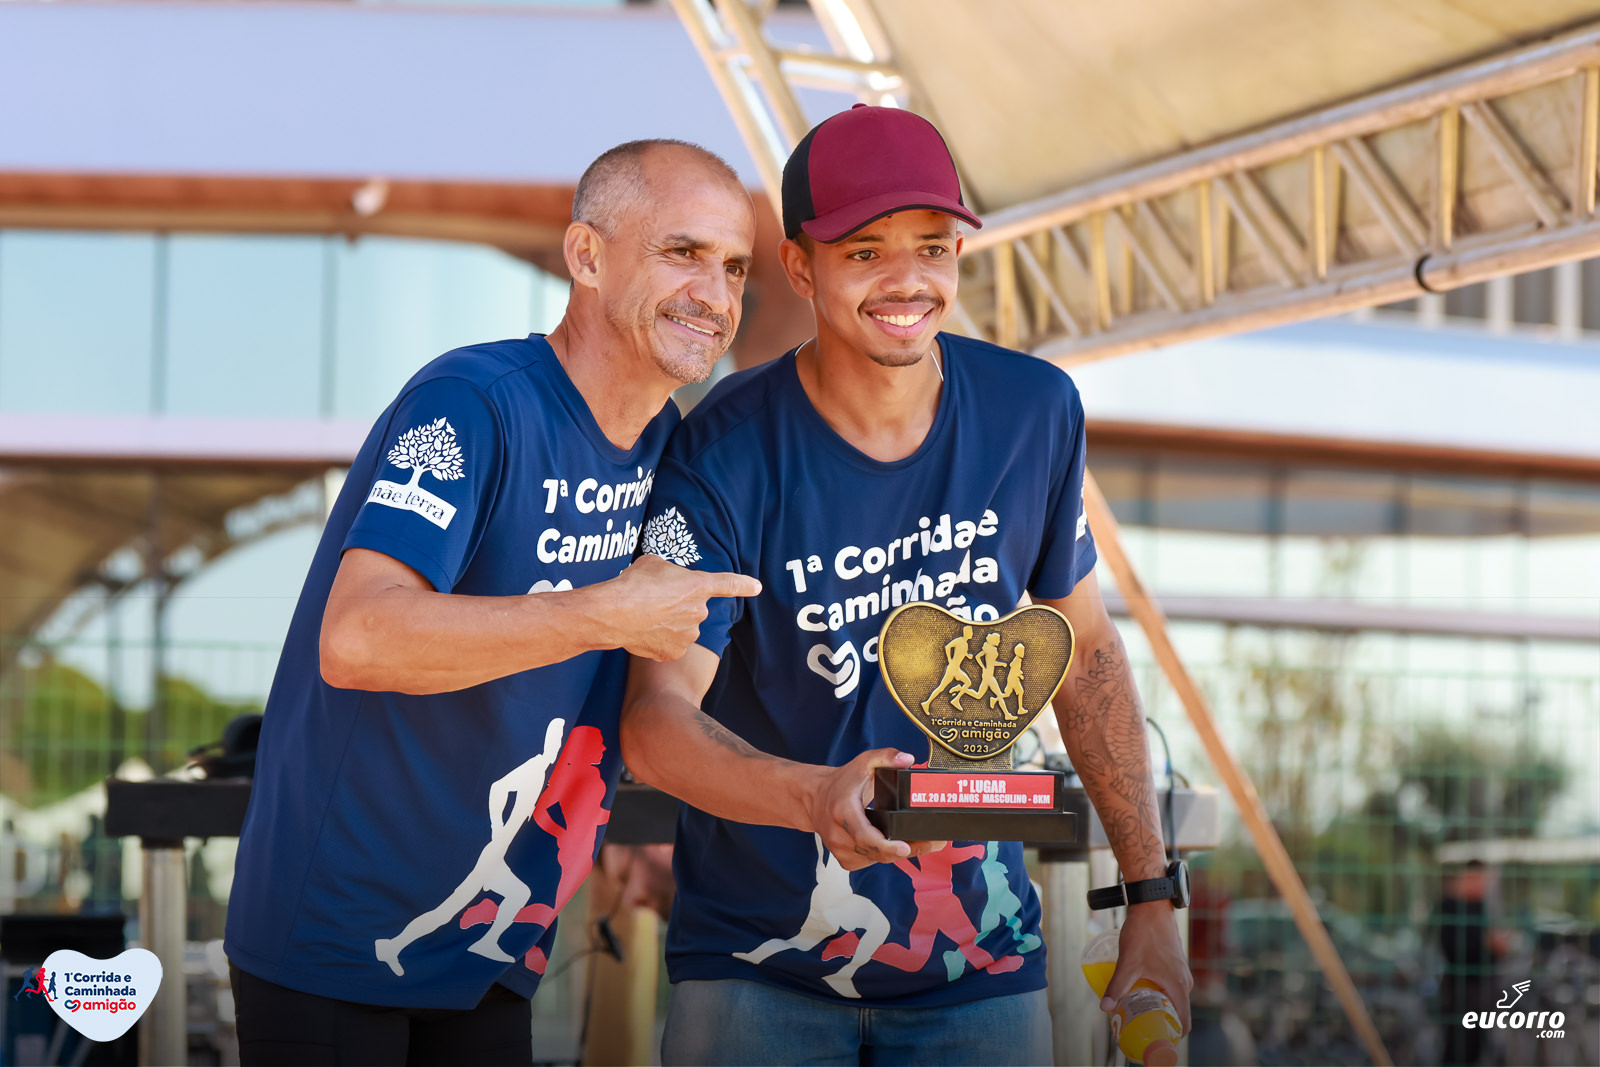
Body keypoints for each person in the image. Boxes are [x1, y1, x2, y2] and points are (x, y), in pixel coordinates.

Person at [621, 104, 1193, 1064]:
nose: (907, 281)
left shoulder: (1033, 411)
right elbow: (654, 717)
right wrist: (816, 797)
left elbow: (1085, 651)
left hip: (984, 971)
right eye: (865, 251)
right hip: (756, 968)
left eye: (931, 247)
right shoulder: (719, 451)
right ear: (800, 267)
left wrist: (1149, 897)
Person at [223, 138, 767, 1067]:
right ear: (586, 255)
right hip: (335, 944)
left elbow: (664, 701)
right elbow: (357, 637)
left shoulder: (676, 456)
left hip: (491, 951)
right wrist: (605, 612)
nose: (714, 293)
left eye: (735, 267)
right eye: (683, 252)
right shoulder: (471, 402)